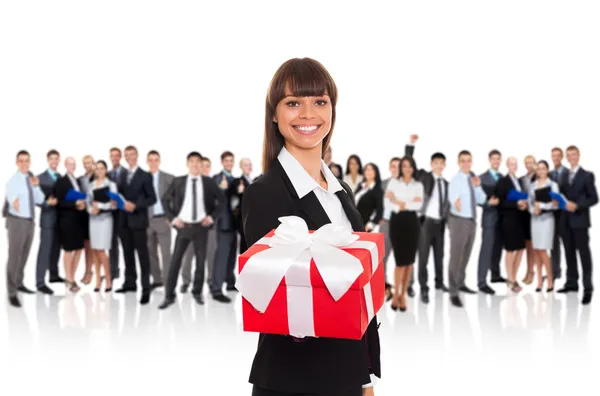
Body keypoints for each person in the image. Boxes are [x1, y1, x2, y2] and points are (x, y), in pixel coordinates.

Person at [241, 57, 380, 395]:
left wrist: (364, 378)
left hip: (344, 372)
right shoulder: (265, 193)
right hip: (294, 380)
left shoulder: (340, 190)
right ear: (274, 114)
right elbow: (269, 300)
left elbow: (353, 294)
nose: (308, 114)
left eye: (320, 101)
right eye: (293, 103)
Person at [158, 152, 225, 309]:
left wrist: (212, 217)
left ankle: (197, 292)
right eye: (192, 162)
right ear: (187, 164)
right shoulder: (178, 181)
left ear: (201, 165)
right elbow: (165, 199)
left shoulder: (208, 182)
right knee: (175, 262)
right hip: (183, 227)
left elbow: (222, 200)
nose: (195, 164)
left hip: (200, 227)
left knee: (200, 262)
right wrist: (173, 218)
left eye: (198, 162)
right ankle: (169, 295)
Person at [4, 150, 48, 307]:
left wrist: (36, 186)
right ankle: (11, 292)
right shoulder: (13, 180)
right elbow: (11, 197)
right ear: (17, 162)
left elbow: (41, 199)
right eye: (21, 161)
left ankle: (19, 282)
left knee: (24, 254)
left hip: (29, 221)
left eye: (27, 161)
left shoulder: (31, 178)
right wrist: (14, 201)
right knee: (14, 256)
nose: (24, 164)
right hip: (17, 221)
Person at [114, 145, 157, 305]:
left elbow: (152, 198)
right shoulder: (122, 175)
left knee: (143, 255)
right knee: (127, 254)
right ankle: (130, 283)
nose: (129, 157)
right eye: (127, 155)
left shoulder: (145, 175)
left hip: (138, 220)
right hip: (123, 221)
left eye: (132, 154)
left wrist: (136, 205)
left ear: (137, 155)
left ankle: (145, 288)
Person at [557, 145, 598, 305]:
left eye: (573, 154)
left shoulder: (587, 175)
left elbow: (594, 198)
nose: (571, 157)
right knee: (569, 253)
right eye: (568, 155)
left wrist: (578, 205)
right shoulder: (564, 175)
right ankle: (572, 283)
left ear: (578, 155)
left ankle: (588, 287)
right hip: (565, 222)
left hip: (580, 221)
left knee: (584, 254)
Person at [447, 150, 487, 308]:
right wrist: (455, 202)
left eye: (468, 160)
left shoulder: (473, 179)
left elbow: (482, 199)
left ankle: (461, 282)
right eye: (463, 161)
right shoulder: (456, 180)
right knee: (456, 256)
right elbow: (452, 197)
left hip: (471, 221)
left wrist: (477, 186)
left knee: (466, 254)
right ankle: (453, 291)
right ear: (458, 163)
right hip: (458, 221)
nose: (466, 163)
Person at [385, 156, 424, 312]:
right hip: (397, 222)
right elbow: (387, 203)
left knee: (409, 262)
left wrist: (399, 201)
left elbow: (419, 205)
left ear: (413, 168)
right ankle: (395, 295)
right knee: (400, 261)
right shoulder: (394, 182)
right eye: (405, 166)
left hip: (412, 223)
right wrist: (406, 203)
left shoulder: (418, 185)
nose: (407, 169)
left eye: (410, 166)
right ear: (400, 168)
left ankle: (403, 294)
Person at [54, 157, 87, 293]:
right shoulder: (61, 181)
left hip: (79, 220)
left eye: (74, 164)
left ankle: (71, 277)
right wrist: (75, 204)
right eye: (70, 164)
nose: (72, 166)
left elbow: (81, 196)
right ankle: (69, 279)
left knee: (79, 248)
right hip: (67, 220)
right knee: (68, 250)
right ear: (65, 165)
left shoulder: (78, 181)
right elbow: (59, 202)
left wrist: (83, 203)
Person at [495, 157, 528, 293]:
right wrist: (516, 204)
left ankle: (514, 277)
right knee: (510, 250)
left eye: (515, 164)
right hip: (508, 220)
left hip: (520, 219)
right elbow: (500, 202)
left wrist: (524, 204)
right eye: (511, 164)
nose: (513, 166)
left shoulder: (519, 181)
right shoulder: (503, 181)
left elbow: (523, 196)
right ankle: (510, 279)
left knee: (520, 249)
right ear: (507, 165)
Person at [86, 160, 118, 292]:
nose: (99, 171)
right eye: (97, 169)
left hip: (105, 220)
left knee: (102, 250)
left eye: (102, 168)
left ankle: (108, 279)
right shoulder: (91, 185)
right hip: (93, 219)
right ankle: (98, 280)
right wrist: (90, 209)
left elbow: (113, 204)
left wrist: (98, 206)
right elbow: (88, 202)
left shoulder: (111, 185)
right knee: (94, 249)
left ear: (106, 170)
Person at [528, 160, 559, 292]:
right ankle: (539, 281)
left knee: (543, 250)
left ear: (547, 170)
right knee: (536, 249)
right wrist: (532, 210)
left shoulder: (553, 185)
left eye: (543, 168)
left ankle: (550, 280)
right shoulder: (533, 185)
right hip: (535, 220)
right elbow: (530, 202)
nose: (540, 171)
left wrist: (541, 206)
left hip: (547, 220)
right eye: (538, 169)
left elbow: (556, 204)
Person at [354, 163, 383, 231]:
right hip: (354, 223)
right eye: (367, 169)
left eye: (371, 169)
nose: (369, 172)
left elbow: (379, 212)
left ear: (376, 172)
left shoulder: (378, 191)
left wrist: (369, 226)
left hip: (365, 227)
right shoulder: (360, 186)